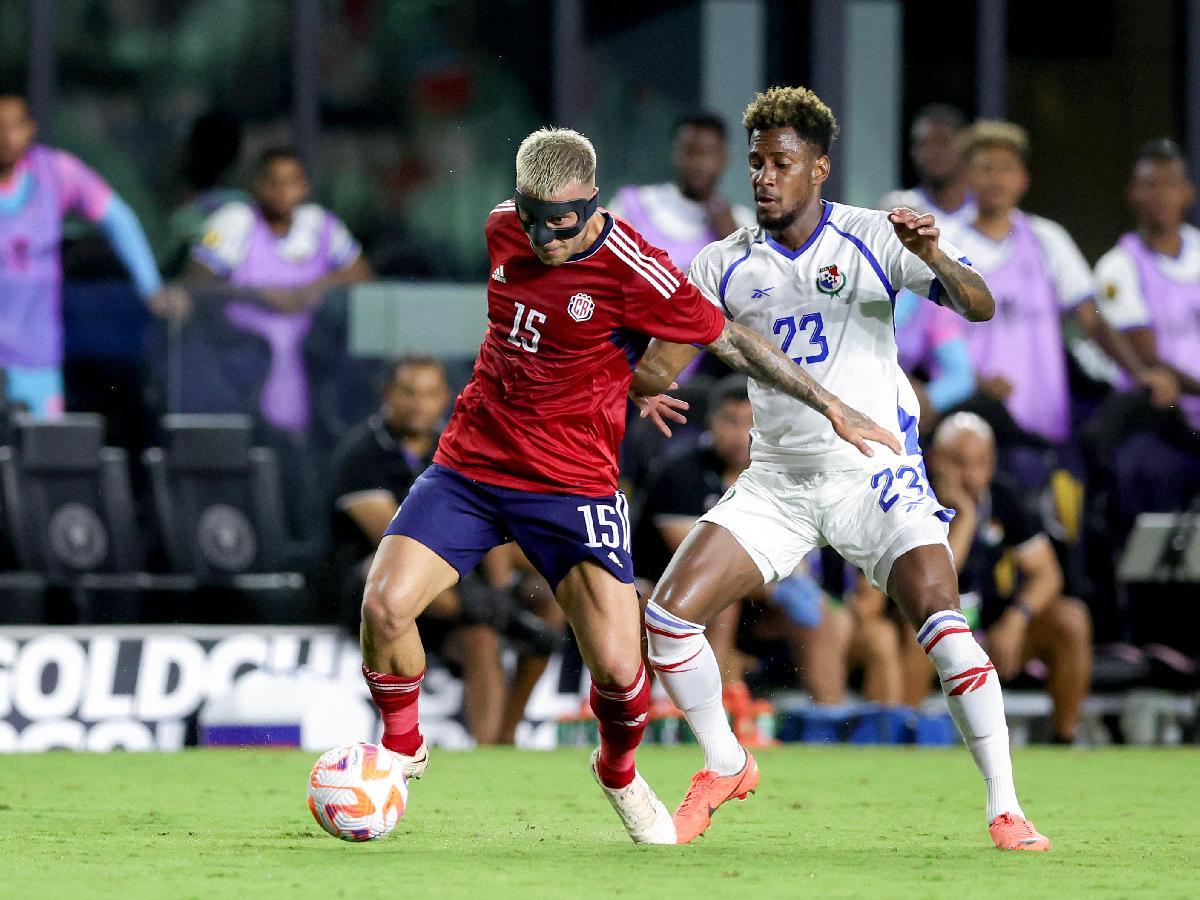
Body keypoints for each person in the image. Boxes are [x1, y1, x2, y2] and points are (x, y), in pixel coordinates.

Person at [357, 126, 899, 844]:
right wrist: (619, 378)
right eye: (531, 217)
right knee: (385, 606)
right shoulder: (502, 230)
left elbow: (733, 341)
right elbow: (555, 341)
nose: (544, 237)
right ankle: (400, 752)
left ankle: (616, 771)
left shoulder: (637, 269)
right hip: (473, 464)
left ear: (591, 200)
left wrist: (830, 404)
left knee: (617, 668)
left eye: (562, 222)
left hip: (573, 487)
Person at [632, 85, 1050, 851]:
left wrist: (932, 258)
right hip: (778, 482)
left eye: (780, 163)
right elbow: (661, 361)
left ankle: (1005, 806)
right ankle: (725, 763)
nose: (763, 177)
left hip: (874, 476)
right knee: (665, 619)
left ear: (818, 168)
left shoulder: (873, 236)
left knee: (947, 630)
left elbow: (978, 304)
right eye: (755, 163)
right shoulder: (720, 264)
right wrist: (643, 387)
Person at [328, 356, 559, 745]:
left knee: (541, 595)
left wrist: (504, 583)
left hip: (455, 581)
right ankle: (501, 621)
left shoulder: (451, 447)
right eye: (408, 392)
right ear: (387, 394)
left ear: (445, 398)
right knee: (470, 623)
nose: (419, 404)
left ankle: (504, 739)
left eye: (430, 394)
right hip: (373, 587)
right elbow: (395, 541)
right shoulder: (362, 455)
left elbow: (488, 517)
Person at [949, 121, 1177, 448]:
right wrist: (973, 382)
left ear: (1023, 179)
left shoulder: (1047, 239)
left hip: (1046, 424)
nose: (996, 178)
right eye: (986, 168)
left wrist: (1139, 372)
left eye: (1006, 168)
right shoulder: (947, 245)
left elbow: (1092, 320)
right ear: (967, 177)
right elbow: (931, 337)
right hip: (973, 426)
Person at [903, 413, 1093, 744]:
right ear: (935, 460)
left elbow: (1048, 574)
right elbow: (934, 581)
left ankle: (1064, 740)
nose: (973, 476)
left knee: (1071, 618)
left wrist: (1017, 618)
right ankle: (901, 739)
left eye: (982, 463)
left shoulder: (1003, 496)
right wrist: (965, 516)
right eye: (960, 463)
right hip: (930, 633)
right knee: (919, 631)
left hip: (989, 633)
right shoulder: (915, 498)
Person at [0, 92, 168, 417]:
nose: (5, 137)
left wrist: (151, 287)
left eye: (14, 126)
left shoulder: (55, 173)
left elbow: (117, 218)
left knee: (42, 455)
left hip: (37, 357)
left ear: (30, 129)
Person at [186, 146, 373, 436]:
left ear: (304, 186)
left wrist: (315, 288)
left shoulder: (318, 225)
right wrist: (259, 295)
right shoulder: (236, 221)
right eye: (273, 181)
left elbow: (362, 275)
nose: (282, 191)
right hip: (242, 360)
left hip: (308, 362)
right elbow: (195, 283)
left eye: (291, 181)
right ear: (255, 185)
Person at [1093, 139, 1200, 523]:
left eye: (1170, 184)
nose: (1160, 195)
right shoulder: (1118, 266)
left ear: (1187, 192)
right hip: (1161, 422)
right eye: (1149, 185)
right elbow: (1148, 356)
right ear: (1132, 195)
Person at [881, 105, 978, 427]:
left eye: (912, 231)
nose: (902, 238)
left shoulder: (926, 300)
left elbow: (960, 375)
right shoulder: (845, 283)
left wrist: (926, 400)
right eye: (892, 227)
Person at [608, 113, 755, 272]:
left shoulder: (743, 224)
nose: (698, 163)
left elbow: (756, 288)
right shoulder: (633, 205)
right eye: (689, 152)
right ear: (675, 153)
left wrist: (732, 239)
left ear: (724, 158)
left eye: (707, 153)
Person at [880, 104, 976, 228]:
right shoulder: (898, 208)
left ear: (964, 148)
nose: (932, 152)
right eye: (923, 144)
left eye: (943, 142)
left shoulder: (986, 210)